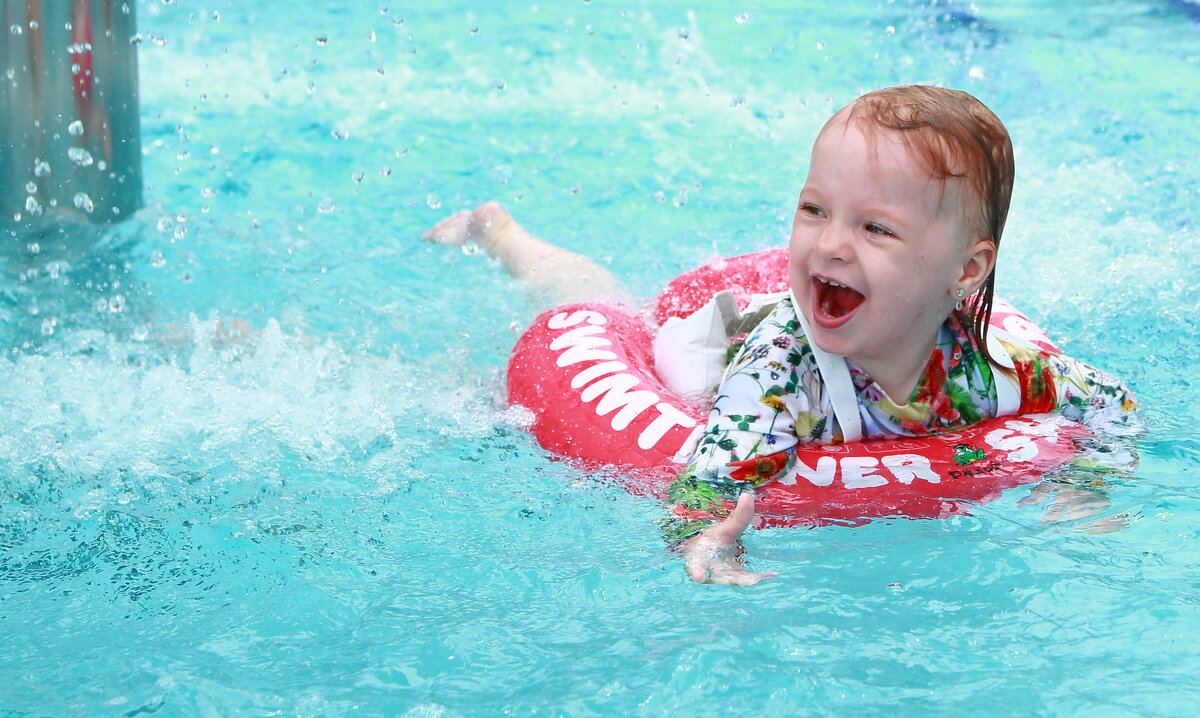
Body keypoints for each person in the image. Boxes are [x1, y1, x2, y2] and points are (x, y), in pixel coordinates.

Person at [423, 85, 1138, 586]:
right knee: (592, 300)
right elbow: (709, 478)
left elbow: (1110, 400)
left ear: (965, 270)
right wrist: (708, 541)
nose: (829, 244)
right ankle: (504, 235)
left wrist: (1086, 482)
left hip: (819, 339)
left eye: (875, 227)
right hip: (712, 359)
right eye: (813, 210)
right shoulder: (777, 376)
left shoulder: (983, 370)